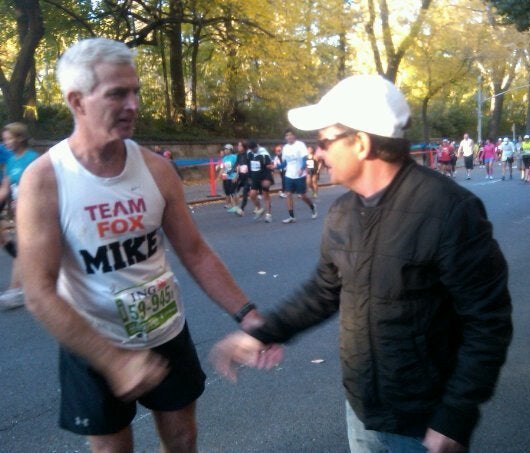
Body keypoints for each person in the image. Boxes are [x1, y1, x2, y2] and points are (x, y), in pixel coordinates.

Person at [210, 75, 512, 452]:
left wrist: (455, 417)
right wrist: (262, 332)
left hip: (426, 423)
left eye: (323, 142)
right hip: (363, 407)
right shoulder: (342, 211)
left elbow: (488, 322)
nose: (316, 153)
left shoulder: (449, 210)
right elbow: (323, 292)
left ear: (361, 142)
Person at [16, 37, 270, 452]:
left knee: (183, 439)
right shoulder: (45, 180)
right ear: (77, 101)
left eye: (135, 91)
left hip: (166, 330)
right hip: (93, 342)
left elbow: (195, 251)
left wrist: (248, 314)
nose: (133, 104)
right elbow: (40, 293)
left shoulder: (156, 168)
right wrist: (114, 361)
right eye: (118, 93)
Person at [0, 122, 39, 309]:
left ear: (20, 138)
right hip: (19, 211)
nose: (5, 142)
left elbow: (41, 187)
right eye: (4, 139)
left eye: (8, 138)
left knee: (24, 248)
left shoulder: (33, 159)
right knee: (28, 248)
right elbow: (5, 188)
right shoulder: (11, 162)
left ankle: (16, 290)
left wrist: (26, 198)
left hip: (35, 210)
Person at [280, 129, 317, 223]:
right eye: (287, 135)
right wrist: (276, 166)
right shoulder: (285, 148)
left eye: (291, 135)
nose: (289, 137)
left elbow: (304, 159)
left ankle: (312, 207)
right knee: (288, 194)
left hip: (300, 175)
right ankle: (291, 216)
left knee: (302, 195)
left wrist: (302, 168)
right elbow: (285, 163)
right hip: (289, 175)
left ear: (294, 136)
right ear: (285, 137)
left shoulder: (300, 145)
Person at [247, 140, 274, 223]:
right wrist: (249, 177)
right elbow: (249, 165)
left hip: (264, 175)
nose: (252, 151)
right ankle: (259, 209)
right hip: (255, 176)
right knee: (252, 195)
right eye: (251, 149)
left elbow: (269, 167)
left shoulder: (264, 153)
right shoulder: (249, 153)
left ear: (257, 146)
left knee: (266, 195)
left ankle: (268, 215)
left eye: (254, 149)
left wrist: (268, 179)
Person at [219, 144, 238, 210]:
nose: (225, 150)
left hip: (233, 177)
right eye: (225, 149)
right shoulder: (224, 158)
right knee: (227, 191)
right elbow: (223, 168)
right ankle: (229, 204)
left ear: (231, 150)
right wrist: (220, 175)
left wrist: (236, 175)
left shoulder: (234, 157)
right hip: (226, 177)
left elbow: (237, 166)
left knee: (232, 192)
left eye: (227, 149)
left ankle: (235, 205)